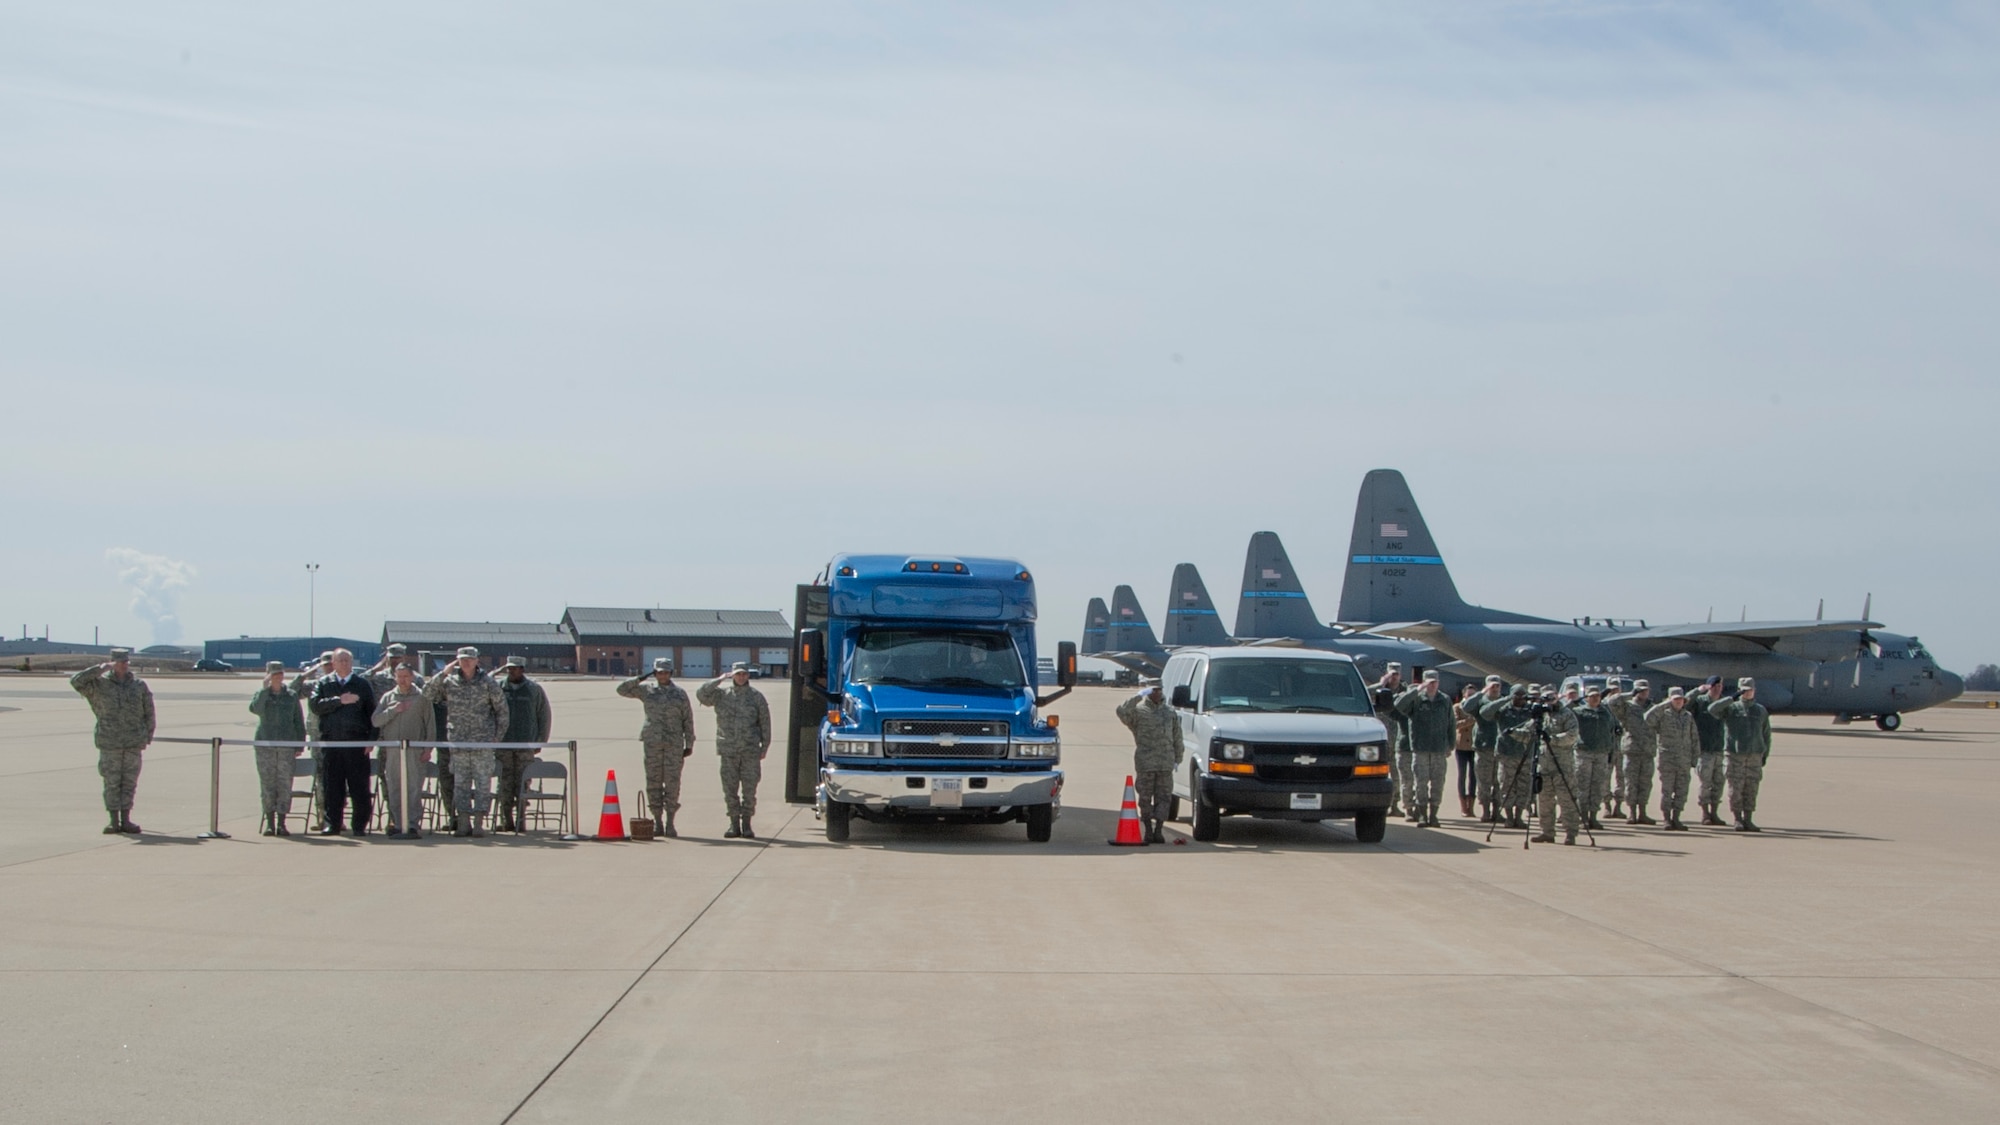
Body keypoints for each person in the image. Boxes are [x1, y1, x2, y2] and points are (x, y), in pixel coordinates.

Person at [422, 646, 509, 837]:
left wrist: (497, 737)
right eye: (462, 659)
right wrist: (442, 673)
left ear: (477, 661)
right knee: (460, 785)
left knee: (482, 784)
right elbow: (427, 695)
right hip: (459, 743)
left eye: (470, 659)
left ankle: (479, 822)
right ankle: (463, 822)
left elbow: (502, 710)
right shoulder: (450, 682)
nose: (466, 662)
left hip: (482, 742)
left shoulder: (488, 683)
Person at [70, 647, 156, 834]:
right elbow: (76, 681)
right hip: (110, 742)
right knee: (111, 782)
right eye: (119, 662)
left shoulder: (138, 685)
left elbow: (149, 711)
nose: (123, 665)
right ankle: (113, 820)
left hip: (133, 742)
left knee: (129, 782)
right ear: (111, 664)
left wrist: (147, 735)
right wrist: (100, 668)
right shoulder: (99, 685)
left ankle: (126, 819)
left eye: (125, 662)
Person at [618, 657, 695, 838]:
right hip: (652, 742)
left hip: (673, 744)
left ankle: (670, 822)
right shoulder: (646, 690)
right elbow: (622, 689)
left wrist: (689, 743)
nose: (663, 675)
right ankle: (657, 821)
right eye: (659, 672)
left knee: (672, 783)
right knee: (653, 782)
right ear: (655, 673)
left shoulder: (680, 694)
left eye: (666, 672)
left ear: (671, 673)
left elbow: (688, 720)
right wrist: (641, 678)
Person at [697, 662, 772, 839]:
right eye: (738, 674)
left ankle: (746, 824)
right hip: (728, 750)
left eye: (744, 674)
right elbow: (701, 694)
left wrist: (765, 746)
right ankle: (733, 824)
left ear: (748, 676)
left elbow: (765, 723)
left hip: (750, 750)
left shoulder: (756, 697)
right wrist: (719, 680)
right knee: (730, 789)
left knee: (749, 789)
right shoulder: (722, 695)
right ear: (732, 675)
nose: (741, 677)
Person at [309, 648, 378, 836]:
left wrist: (371, 740)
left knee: (359, 787)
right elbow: (315, 706)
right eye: (340, 660)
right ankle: (333, 824)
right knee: (333, 786)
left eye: (347, 660)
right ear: (333, 663)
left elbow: (373, 714)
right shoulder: (324, 683)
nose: (344, 664)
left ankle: (359, 825)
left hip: (356, 744)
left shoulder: (361, 684)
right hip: (332, 744)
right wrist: (339, 700)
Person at [371, 663, 436, 838]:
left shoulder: (422, 698)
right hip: (393, 751)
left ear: (412, 677)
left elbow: (430, 726)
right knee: (394, 787)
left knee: (414, 788)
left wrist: (428, 748)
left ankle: (412, 824)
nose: (402, 680)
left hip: (415, 751)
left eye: (406, 676)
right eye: (399, 676)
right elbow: (376, 721)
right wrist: (394, 710)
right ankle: (398, 823)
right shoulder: (388, 697)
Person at [1116, 680, 1185, 844]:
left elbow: (1177, 737)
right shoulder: (1138, 712)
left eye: (1159, 690)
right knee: (1145, 798)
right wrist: (1137, 697)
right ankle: (1147, 829)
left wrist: (1178, 758)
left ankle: (1159, 829)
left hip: (1165, 763)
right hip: (1146, 763)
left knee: (1164, 798)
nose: (1157, 693)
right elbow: (1121, 711)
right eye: (1153, 690)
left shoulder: (1169, 712)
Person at [247, 661, 310, 836]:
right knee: (267, 783)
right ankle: (269, 822)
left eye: (279, 674)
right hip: (265, 744)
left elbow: (298, 720)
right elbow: (256, 709)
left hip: (286, 744)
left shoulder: (290, 695)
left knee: (284, 783)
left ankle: (282, 822)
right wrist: (265, 689)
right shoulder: (262, 695)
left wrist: (300, 743)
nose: (277, 677)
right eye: (273, 674)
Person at [495, 657, 553, 832]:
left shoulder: (534, 690)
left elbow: (544, 716)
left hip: (525, 745)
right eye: (509, 669)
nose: (511, 672)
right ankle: (506, 820)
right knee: (504, 783)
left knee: (523, 783)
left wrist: (541, 740)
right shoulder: (498, 688)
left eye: (515, 669)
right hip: (503, 744)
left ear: (522, 669)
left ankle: (521, 820)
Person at [1709, 677, 1773, 832]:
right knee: (1735, 788)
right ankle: (1737, 819)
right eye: (1744, 690)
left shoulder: (1760, 710)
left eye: (1750, 689)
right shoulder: (1731, 708)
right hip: (1735, 755)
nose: (1747, 692)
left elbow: (1766, 734)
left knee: (1751, 788)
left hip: (1754, 755)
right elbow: (1712, 709)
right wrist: (1732, 698)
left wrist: (1764, 754)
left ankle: (1748, 819)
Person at [1394, 671, 1455, 827]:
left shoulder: (1445, 699)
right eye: (1429, 682)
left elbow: (1451, 724)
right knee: (1420, 783)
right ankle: (1422, 814)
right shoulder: (1416, 699)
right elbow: (1399, 706)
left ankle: (1434, 815)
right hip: (1420, 748)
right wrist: (1417, 690)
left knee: (1438, 783)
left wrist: (1450, 745)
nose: (1432, 685)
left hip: (1438, 748)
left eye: (1434, 682)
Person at [1533, 686, 1582, 845]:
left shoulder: (1567, 715)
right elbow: (1530, 731)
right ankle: (1547, 832)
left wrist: (1552, 739)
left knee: (1567, 800)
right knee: (1545, 801)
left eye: (1551, 699)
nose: (1549, 703)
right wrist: (1514, 732)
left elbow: (1572, 736)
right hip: (1545, 766)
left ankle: (1570, 833)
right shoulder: (1543, 716)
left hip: (1563, 766)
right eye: (1545, 700)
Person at [1645, 686, 1700, 830]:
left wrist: (1695, 758)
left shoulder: (1688, 716)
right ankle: (1667, 819)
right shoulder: (1663, 715)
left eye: (1680, 699)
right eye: (1675, 699)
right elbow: (1648, 718)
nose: (1678, 702)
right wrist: (1664, 704)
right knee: (1667, 791)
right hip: (1668, 760)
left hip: (1684, 760)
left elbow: (1694, 738)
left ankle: (1677, 818)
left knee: (1682, 790)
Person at [1605, 679, 1658, 825]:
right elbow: (1611, 702)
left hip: (1648, 750)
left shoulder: (1653, 708)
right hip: (1632, 749)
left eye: (1646, 690)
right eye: (1640, 690)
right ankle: (1632, 813)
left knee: (1645, 783)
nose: (1644, 692)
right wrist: (1629, 694)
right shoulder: (1627, 707)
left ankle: (1643, 812)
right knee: (1631, 783)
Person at [1482, 684, 1536, 829]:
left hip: (1525, 753)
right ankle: (1509, 817)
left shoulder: (1530, 710)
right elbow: (1485, 713)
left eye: (1522, 695)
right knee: (1506, 786)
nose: (1519, 698)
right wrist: (1505, 699)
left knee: (1524, 786)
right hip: (1506, 753)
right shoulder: (1504, 710)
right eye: (1516, 695)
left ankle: (1519, 816)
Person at [1570, 685, 1616, 831]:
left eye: (1597, 696)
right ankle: (1582, 816)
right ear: (1587, 697)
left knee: (1597, 786)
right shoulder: (1579, 712)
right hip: (1585, 752)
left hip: (1601, 752)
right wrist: (1576, 701)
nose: (1595, 698)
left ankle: (1593, 817)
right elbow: (1565, 710)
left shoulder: (1605, 712)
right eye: (1592, 696)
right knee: (1583, 785)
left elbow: (1612, 728)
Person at [1370, 663, 1409, 819]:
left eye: (1397, 674)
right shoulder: (1379, 690)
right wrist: (1381, 684)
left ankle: (1395, 804)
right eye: (1392, 674)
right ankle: (1381, 805)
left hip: (1399, 738)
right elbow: (1364, 693)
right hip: (1383, 739)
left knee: (1397, 774)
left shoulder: (1405, 691)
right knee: (1381, 775)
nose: (1394, 677)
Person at [1689, 675, 1729, 825]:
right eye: (1714, 686)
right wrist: (1697, 691)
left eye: (1719, 686)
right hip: (1704, 749)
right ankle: (1705, 813)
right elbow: (1686, 704)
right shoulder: (1700, 702)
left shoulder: (1724, 703)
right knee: (1705, 783)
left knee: (1718, 783)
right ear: (1708, 687)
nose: (1717, 688)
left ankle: (1714, 813)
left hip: (1719, 748)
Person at [1468, 675, 1505, 821]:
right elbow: (1467, 707)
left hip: (1502, 748)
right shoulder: (1480, 701)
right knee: (1484, 781)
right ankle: (1485, 810)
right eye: (1492, 686)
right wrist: (1482, 692)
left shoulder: (1505, 701)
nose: (1495, 689)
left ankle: (1497, 811)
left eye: (1497, 686)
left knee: (1499, 781)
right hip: (1484, 747)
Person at [1451, 684, 1478, 818]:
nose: (1471, 697)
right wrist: (1471, 720)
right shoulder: (1457, 707)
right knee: (1462, 775)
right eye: (1469, 695)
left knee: (1474, 777)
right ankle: (1463, 806)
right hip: (1461, 745)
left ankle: (1471, 806)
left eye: (1474, 695)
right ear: (1464, 695)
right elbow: (1455, 724)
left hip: (1474, 746)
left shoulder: (1477, 707)